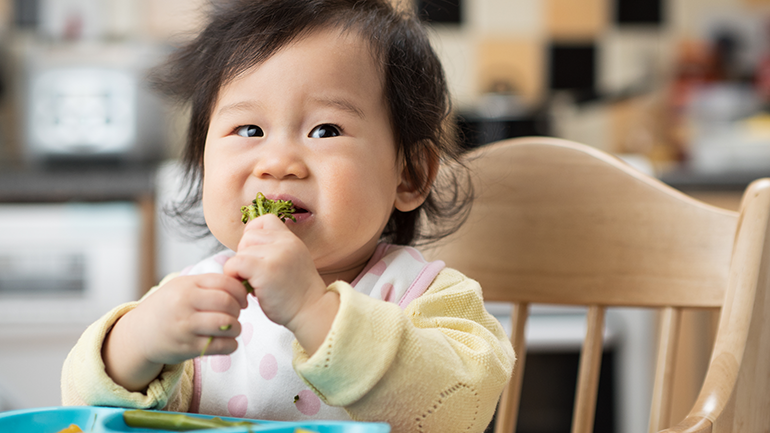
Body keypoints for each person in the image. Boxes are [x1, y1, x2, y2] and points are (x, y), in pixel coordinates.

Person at [61, 1, 515, 431]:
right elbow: (85, 407)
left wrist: (314, 310)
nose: (277, 162)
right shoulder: (196, 300)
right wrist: (138, 343)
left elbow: (458, 410)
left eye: (325, 130)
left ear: (408, 176)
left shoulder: (427, 297)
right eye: (249, 129)